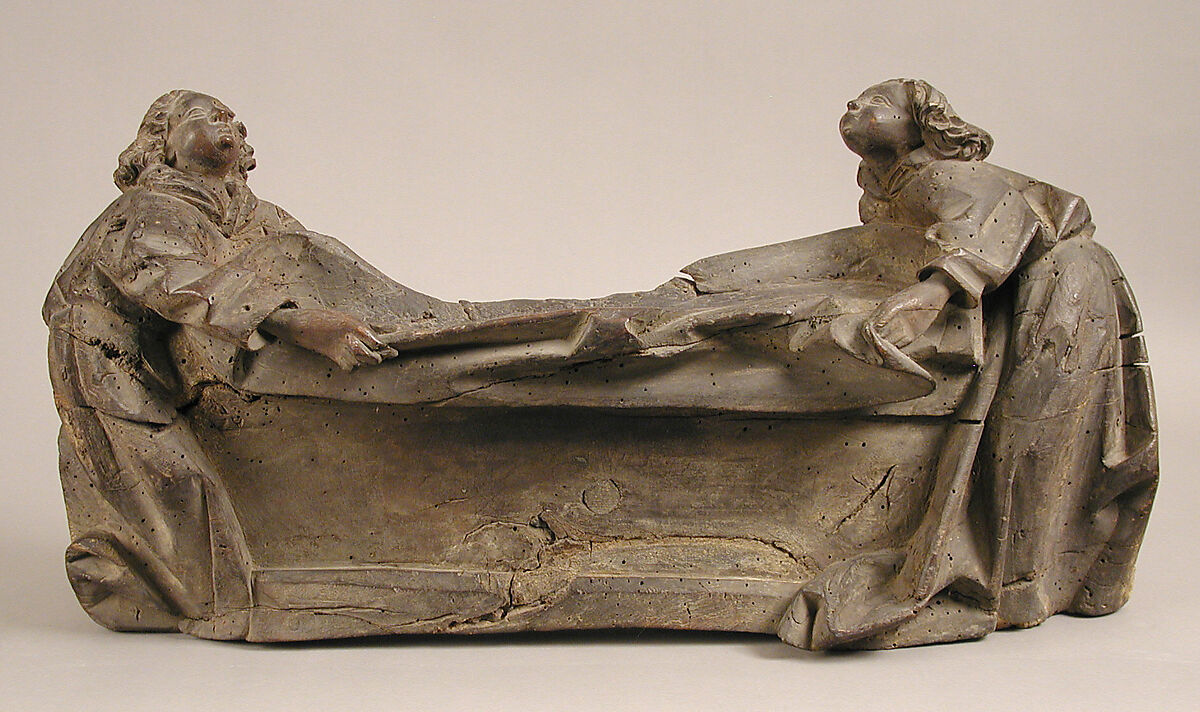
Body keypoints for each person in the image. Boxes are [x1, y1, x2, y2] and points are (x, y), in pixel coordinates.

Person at [778, 79, 1159, 649]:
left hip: (1062, 294)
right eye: (853, 101)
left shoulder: (942, 174)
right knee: (1024, 446)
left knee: (1026, 442)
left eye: (876, 103)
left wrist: (933, 292)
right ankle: (1035, 575)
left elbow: (1007, 217)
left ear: (920, 127)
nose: (854, 107)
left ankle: (1023, 578)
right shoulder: (889, 194)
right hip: (1026, 295)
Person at [43, 90, 395, 635]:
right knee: (174, 482)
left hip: (177, 361)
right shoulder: (147, 208)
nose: (229, 123)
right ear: (163, 145)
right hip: (105, 360)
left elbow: (309, 260)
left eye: (231, 116)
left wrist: (384, 318)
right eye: (206, 116)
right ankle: (167, 589)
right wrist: (295, 323)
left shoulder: (246, 213)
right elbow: (176, 281)